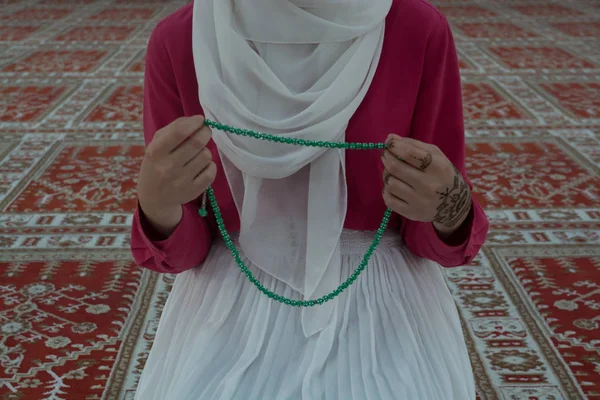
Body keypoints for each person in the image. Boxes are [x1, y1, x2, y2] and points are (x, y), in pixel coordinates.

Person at [131, 0, 489, 398]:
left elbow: (435, 233)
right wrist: (159, 208)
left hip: (382, 305)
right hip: (229, 308)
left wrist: (448, 208)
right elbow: (186, 250)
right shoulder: (182, 39)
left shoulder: (414, 28)